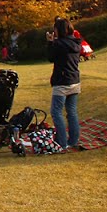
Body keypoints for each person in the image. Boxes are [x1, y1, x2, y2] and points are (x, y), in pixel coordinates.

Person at [46, 16, 81, 152]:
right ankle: (73, 140)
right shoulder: (76, 43)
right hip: (75, 80)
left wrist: (50, 43)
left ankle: (62, 142)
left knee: (56, 112)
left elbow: (50, 57)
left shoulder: (59, 44)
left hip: (62, 82)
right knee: (71, 111)